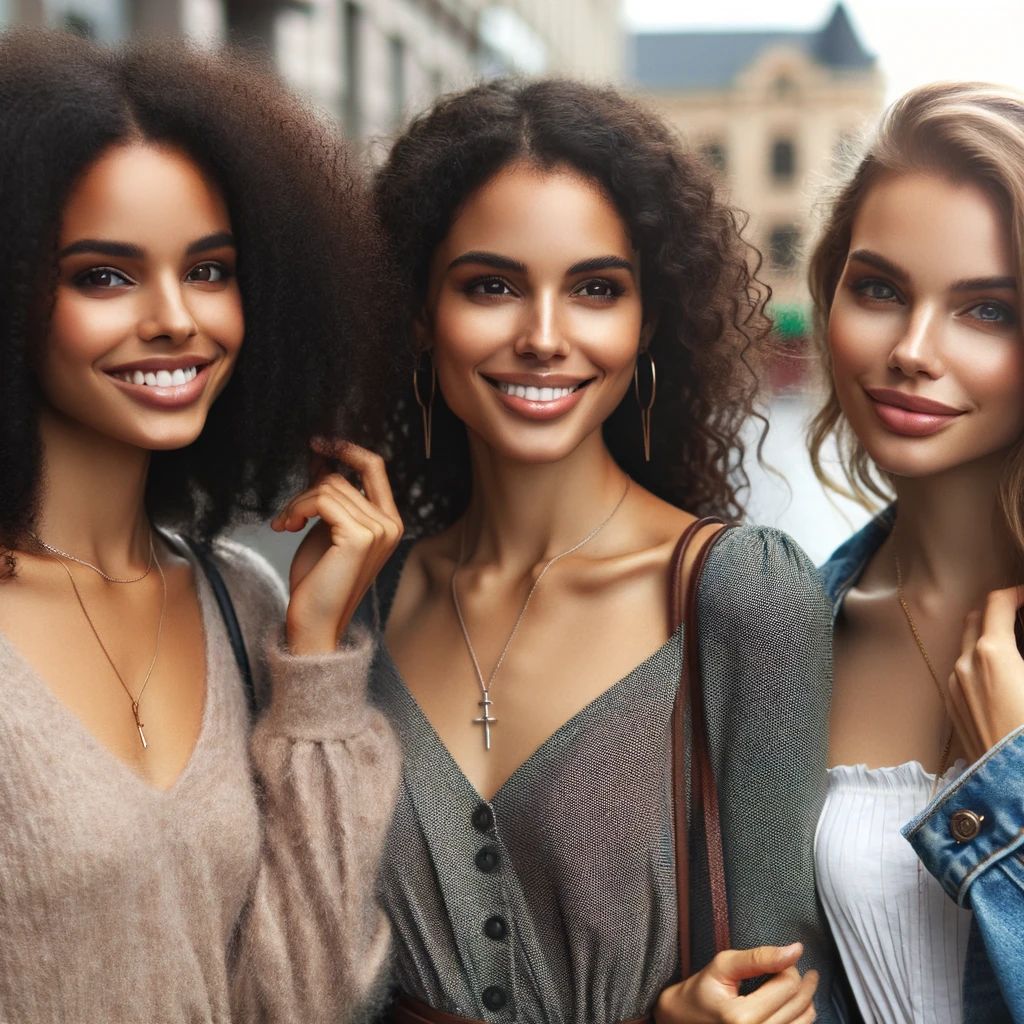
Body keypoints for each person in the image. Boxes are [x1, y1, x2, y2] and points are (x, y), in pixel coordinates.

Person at [352, 78, 838, 1023]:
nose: (543, 336)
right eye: (491, 286)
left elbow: (778, 994)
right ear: (419, 315)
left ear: (646, 322)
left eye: (595, 289)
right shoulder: (364, 602)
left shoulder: (743, 598)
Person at [0, 28, 401, 1023]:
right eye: (104, 275)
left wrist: (312, 663)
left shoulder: (244, 601)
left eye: (211, 271)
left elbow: (306, 996)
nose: (178, 317)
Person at [810, 81, 1024, 1021]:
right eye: (881, 290)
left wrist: (1013, 771)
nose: (913, 348)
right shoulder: (790, 627)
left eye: (987, 310)